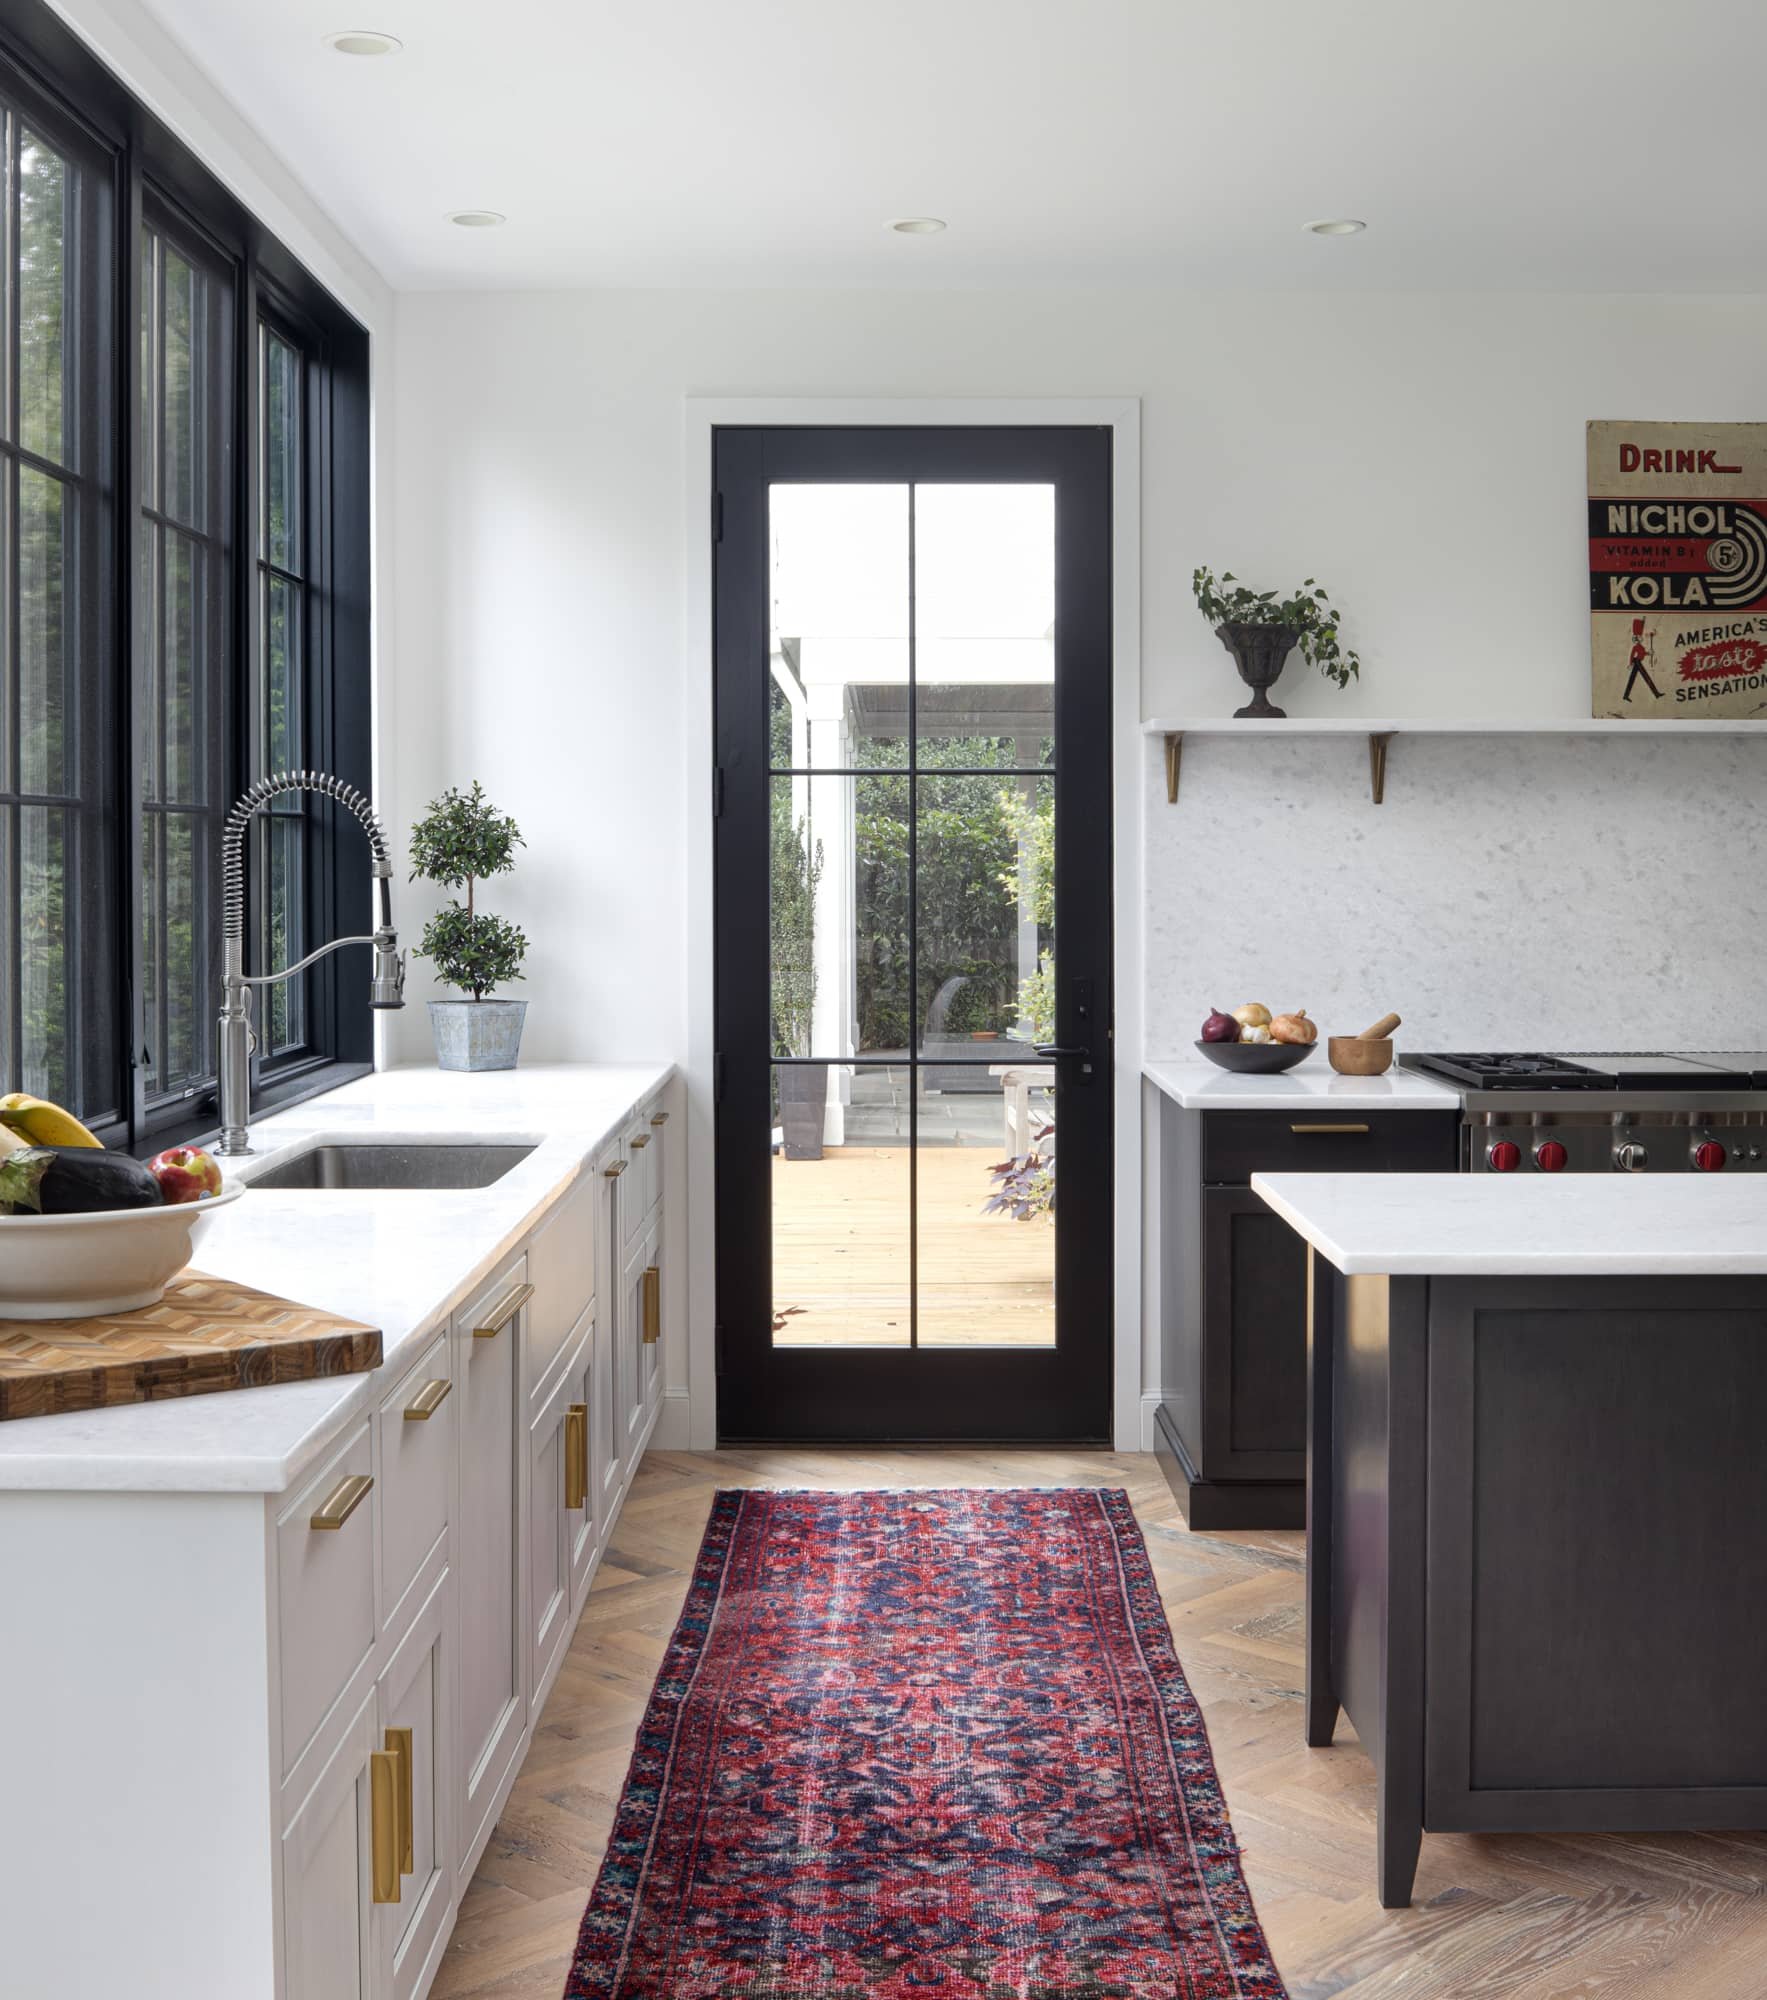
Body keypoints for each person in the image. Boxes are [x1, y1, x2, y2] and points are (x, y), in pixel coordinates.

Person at [1623, 616, 1662, 702]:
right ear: (1636, 639)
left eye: (1639, 637)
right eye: (1638, 637)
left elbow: (1642, 653)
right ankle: (1656, 694)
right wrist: (1630, 663)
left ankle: (1626, 695)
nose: (1640, 638)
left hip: (1637, 661)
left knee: (1632, 679)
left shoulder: (1640, 646)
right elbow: (1632, 655)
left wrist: (1649, 653)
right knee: (1646, 676)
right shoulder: (1636, 646)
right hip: (1636, 662)